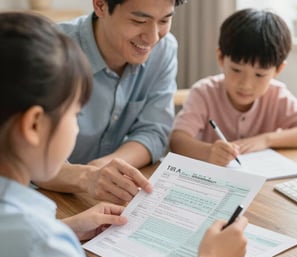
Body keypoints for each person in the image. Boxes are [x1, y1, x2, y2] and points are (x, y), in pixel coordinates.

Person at [0, 12, 249, 257]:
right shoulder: (51, 58)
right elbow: (35, 241)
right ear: (33, 125)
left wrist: (65, 229)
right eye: (75, 113)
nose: (152, 36)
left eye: (164, 20)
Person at [34, 0, 188, 205]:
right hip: (38, 197)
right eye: (139, 20)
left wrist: (104, 167)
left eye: (164, 20)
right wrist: (87, 176)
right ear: (100, 6)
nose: (152, 37)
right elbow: (21, 153)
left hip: (99, 198)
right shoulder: (50, 53)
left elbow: (154, 131)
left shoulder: (164, 49)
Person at [170, 8, 297, 166]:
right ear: (220, 58)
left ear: (278, 70)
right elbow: (177, 141)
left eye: (259, 75)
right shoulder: (204, 93)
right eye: (236, 70)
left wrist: (266, 139)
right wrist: (209, 152)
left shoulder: (277, 95)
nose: (245, 84)